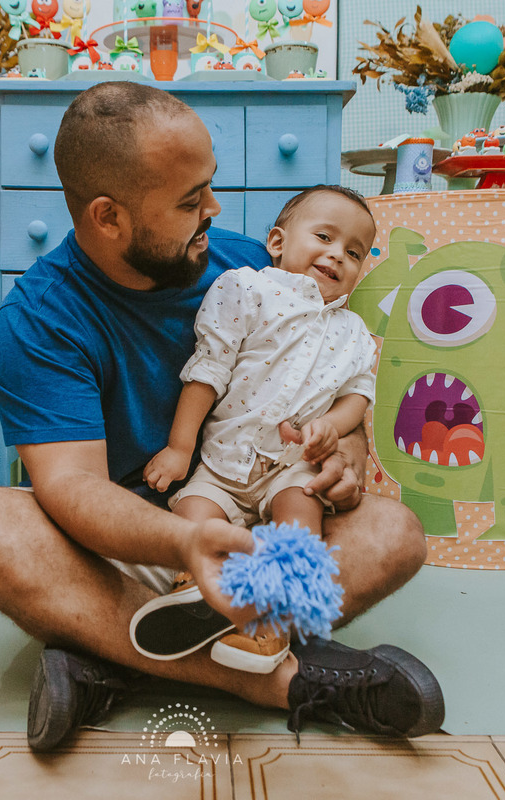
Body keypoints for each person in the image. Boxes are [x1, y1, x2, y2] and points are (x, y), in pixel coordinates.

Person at [0, 81, 443, 753]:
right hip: (124, 555)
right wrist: (184, 545)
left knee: (394, 532)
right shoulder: (36, 322)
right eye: (189, 201)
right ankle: (283, 679)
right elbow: (73, 490)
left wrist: (345, 453)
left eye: (208, 186)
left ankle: (109, 661)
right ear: (108, 217)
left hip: (249, 527)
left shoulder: (251, 269)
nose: (213, 209)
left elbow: (330, 381)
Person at [136, 185, 380, 675]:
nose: (337, 255)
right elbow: (208, 371)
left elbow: (358, 396)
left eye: (353, 253)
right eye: (324, 237)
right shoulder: (246, 289)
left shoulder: (354, 333)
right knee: (195, 512)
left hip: (291, 467)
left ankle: (271, 623)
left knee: (300, 516)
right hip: (223, 462)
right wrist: (179, 450)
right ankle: (196, 591)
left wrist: (329, 428)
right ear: (277, 241)